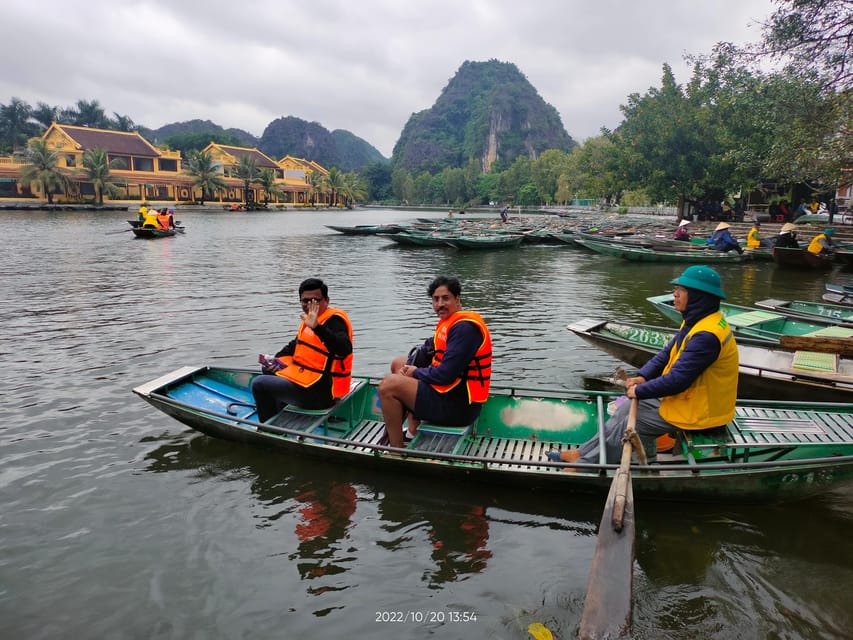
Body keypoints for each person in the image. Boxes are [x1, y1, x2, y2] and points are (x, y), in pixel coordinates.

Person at [548, 265, 738, 466]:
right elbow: (666, 354)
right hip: (686, 401)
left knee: (631, 425)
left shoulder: (706, 336)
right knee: (624, 407)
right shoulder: (697, 322)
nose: (675, 295)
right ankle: (583, 453)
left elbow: (678, 381)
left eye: (681, 291)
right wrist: (643, 377)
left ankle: (586, 466)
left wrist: (639, 390)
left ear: (698, 297)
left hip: (699, 412)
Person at [378, 276, 492, 448]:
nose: (440, 304)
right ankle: (412, 430)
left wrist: (415, 372)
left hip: (458, 406)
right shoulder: (449, 323)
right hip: (449, 393)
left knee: (388, 385)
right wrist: (408, 367)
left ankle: (396, 449)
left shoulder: (464, 329)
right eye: (436, 299)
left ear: (457, 299)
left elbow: (445, 375)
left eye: (445, 298)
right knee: (398, 364)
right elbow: (427, 349)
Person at [251, 278, 353, 421]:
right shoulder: (309, 320)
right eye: (305, 301)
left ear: (327, 300)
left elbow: (344, 348)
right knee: (267, 369)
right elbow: (295, 346)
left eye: (315, 301)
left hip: (321, 393)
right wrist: (275, 360)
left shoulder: (334, 321)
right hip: (307, 381)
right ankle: (278, 409)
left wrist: (317, 327)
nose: (310, 305)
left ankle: (269, 428)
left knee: (259, 384)